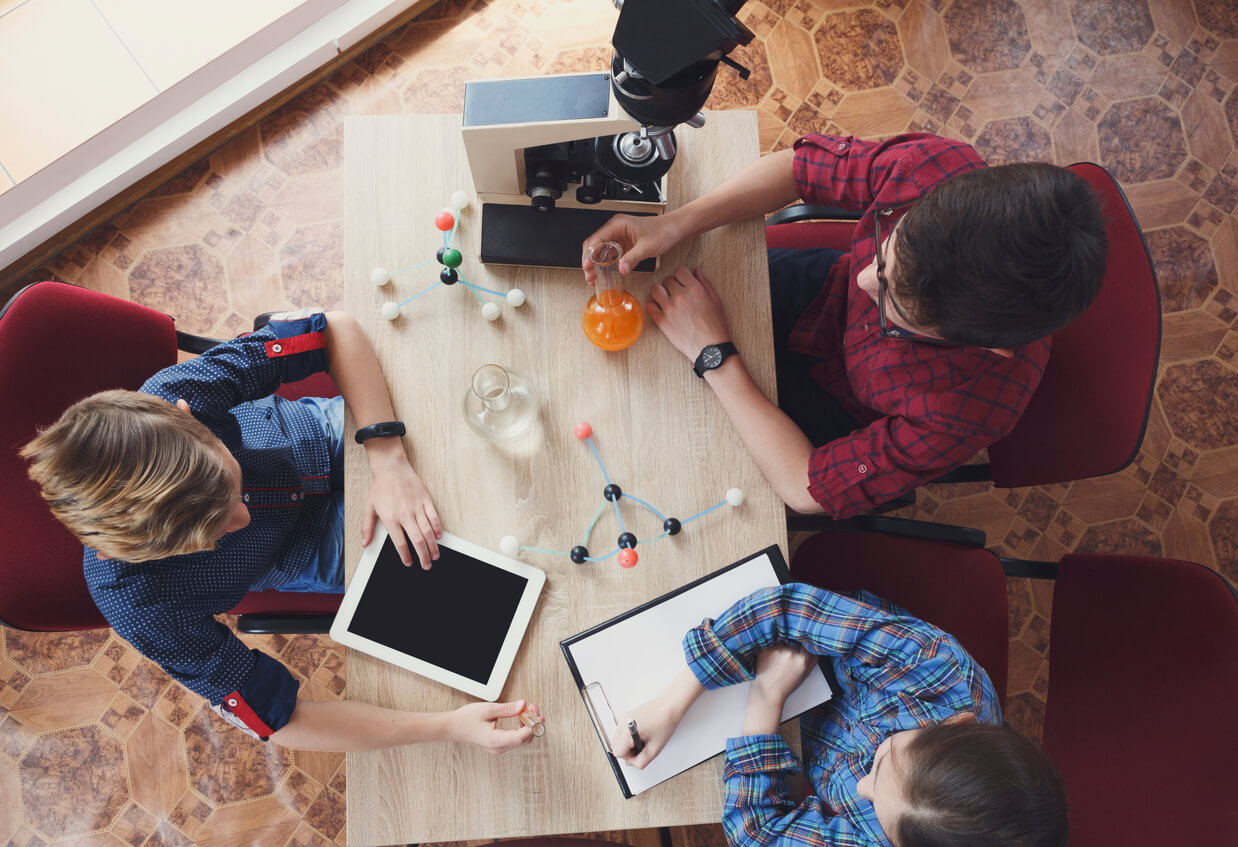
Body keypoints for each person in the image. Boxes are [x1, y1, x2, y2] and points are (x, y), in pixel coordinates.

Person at [22, 308, 540, 753]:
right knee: (484, 572)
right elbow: (279, 721)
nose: (242, 519)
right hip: (307, 550)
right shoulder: (139, 608)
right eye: (215, 534)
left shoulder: (175, 392)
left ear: (186, 416)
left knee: (487, 466)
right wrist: (448, 726)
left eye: (231, 488)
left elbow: (333, 329)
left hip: (316, 434)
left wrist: (387, 458)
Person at [583, 133, 1107, 518]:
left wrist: (714, 355)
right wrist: (675, 221)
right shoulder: (936, 166)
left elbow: (807, 488)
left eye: (897, 306)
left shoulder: (967, 411)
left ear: (987, 349)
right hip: (815, 295)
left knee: (678, 467)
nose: (863, 282)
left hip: (833, 415)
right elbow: (794, 169)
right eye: (886, 253)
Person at [609, 583, 1067, 847]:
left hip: (778, 700)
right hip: (819, 645)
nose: (863, 786)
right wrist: (673, 702)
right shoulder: (936, 667)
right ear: (955, 725)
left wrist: (767, 701)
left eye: (877, 811)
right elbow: (789, 608)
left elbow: (759, 836)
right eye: (883, 763)